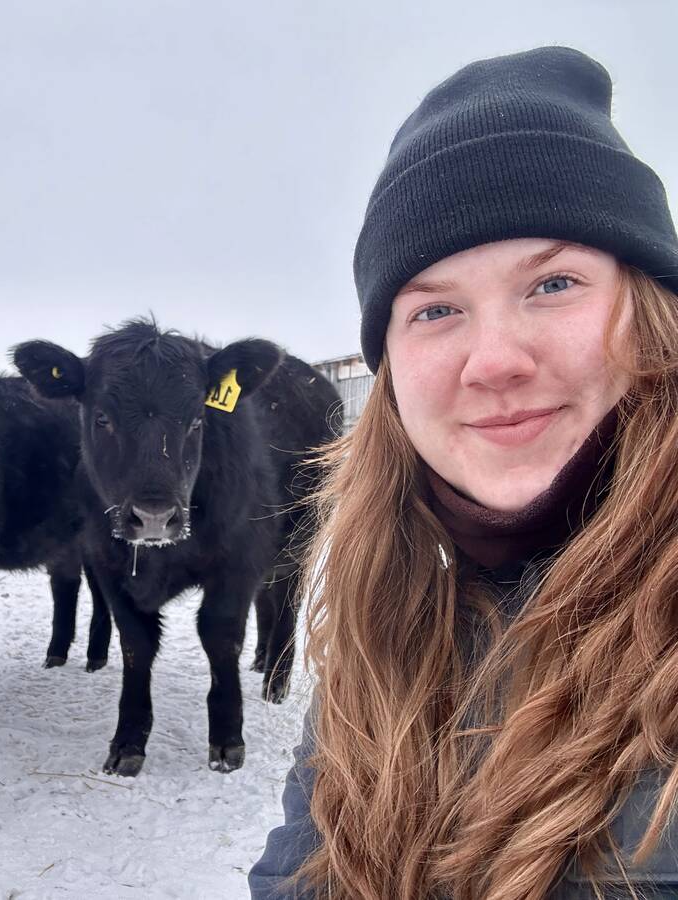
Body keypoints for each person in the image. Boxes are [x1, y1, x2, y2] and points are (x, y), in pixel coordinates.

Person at [249, 46, 678, 899]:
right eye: (436, 309)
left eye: (553, 283)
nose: (492, 360)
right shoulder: (388, 623)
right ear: (391, 372)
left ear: (652, 312)